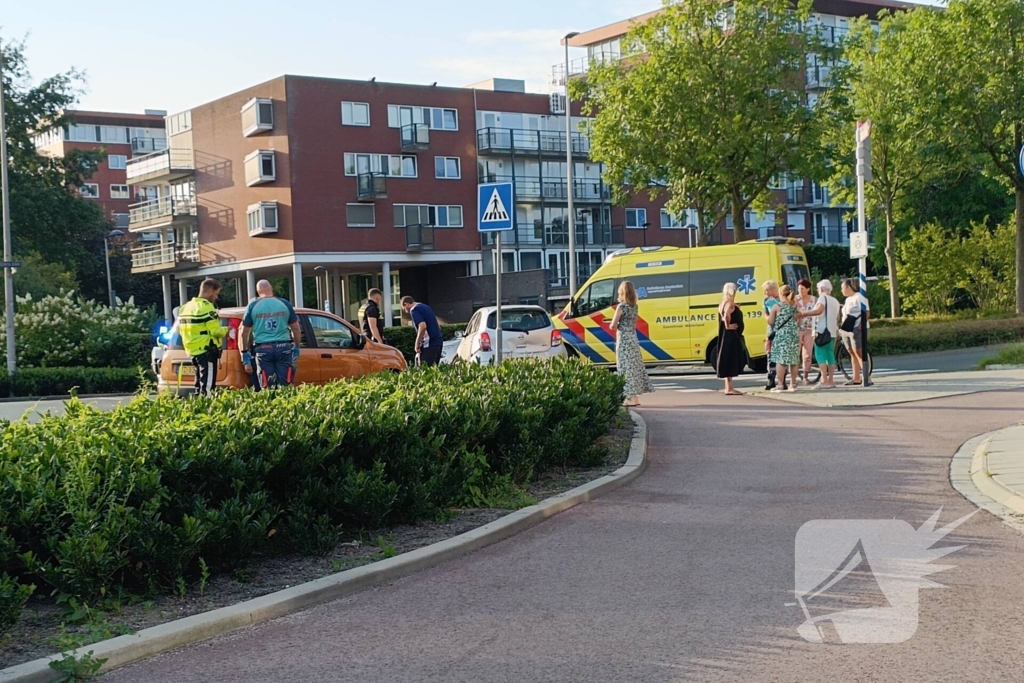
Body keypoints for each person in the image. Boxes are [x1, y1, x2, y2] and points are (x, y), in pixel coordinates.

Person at [239, 280, 302, 388]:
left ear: (258, 292)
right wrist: (296, 347)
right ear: (271, 288)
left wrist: (244, 352)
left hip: (263, 348)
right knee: (285, 385)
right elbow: (296, 329)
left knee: (267, 385)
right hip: (283, 348)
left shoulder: (253, 306)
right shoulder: (285, 304)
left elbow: (244, 332)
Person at [178, 279, 227, 396]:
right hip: (206, 351)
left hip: (192, 351)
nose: (216, 297)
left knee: (199, 385)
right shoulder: (207, 307)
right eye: (216, 294)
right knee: (208, 387)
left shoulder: (185, 307)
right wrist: (227, 329)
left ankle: (198, 408)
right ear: (210, 291)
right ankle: (208, 409)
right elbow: (216, 332)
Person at [609, 280, 652, 406]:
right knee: (633, 368)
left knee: (623, 368)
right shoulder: (634, 306)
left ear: (622, 292)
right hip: (633, 338)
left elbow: (613, 325)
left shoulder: (621, 307)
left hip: (623, 340)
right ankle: (635, 398)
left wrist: (615, 324)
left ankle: (628, 398)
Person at [801, 279, 841, 389]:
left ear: (822, 289)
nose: (817, 291)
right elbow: (837, 317)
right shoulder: (835, 301)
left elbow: (819, 311)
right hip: (832, 331)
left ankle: (824, 380)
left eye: (818, 289)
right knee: (830, 355)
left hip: (821, 331)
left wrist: (804, 313)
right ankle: (831, 381)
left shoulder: (822, 298)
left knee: (821, 356)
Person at [766, 284, 800, 392]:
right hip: (793, 334)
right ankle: (793, 384)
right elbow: (799, 321)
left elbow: (770, 321)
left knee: (781, 361)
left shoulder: (777, 306)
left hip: (781, 335)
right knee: (793, 360)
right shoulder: (795, 306)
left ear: (781, 294)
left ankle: (780, 385)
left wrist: (766, 315)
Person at [716, 282, 746, 396]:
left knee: (726, 358)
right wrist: (728, 325)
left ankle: (728, 387)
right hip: (731, 335)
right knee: (730, 359)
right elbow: (727, 313)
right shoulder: (729, 303)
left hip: (725, 334)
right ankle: (729, 388)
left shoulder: (723, 302)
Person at [840, 278, 870, 386]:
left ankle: (867, 377)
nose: (841, 290)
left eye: (842, 288)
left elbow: (866, 312)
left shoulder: (859, 297)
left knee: (858, 352)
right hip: (848, 329)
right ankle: (856, 378)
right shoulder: (848, 300)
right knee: (852, 353)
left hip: (856, 328)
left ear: (848, 287)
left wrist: (860, 326)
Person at [401, 296, 443, 366]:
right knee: (435, 370)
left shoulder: (414, 310)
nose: (406, 311)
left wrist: (417, 343)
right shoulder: (426, 307)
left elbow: (422, 326)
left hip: (429, 343)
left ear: (406, 304)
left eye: (404, 308)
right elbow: (438, 326)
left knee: (425, 370)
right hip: (438, 342)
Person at [796, 279, 818, 385]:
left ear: (808, 289)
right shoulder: (795, 299)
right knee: (795, 352)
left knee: (807, 354)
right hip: (797, 329)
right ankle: (793, 376)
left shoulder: (814, 300)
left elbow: (818, 312)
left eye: (803, 289)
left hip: (810, 329)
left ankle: (805, 376)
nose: (800, 291)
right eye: (799, 288)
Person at [762, 280, 781, 390]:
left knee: (781, 354)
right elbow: (766, 313)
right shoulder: (766, 301)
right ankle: (771, 378)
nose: (765, 293)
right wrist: (768, 318)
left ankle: (781, 379)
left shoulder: (782, 299)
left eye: (766, 290)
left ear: (773, 289)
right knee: (770, 354)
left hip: (781, 329)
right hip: (771, 330)